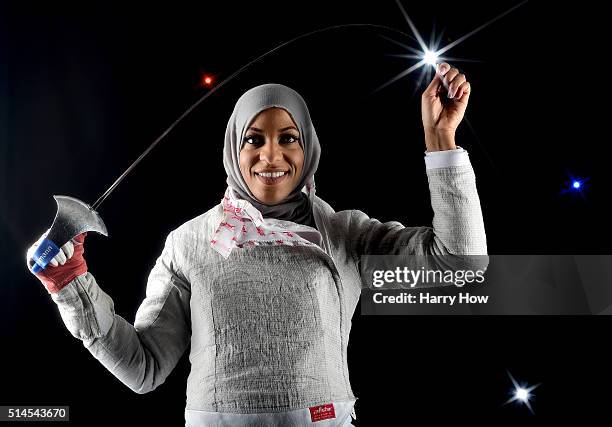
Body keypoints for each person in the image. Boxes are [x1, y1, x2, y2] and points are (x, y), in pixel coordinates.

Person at [26, 62, 487, 426]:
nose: (271, 156)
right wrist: (72, 286)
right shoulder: (189, 244)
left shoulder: (348, 233)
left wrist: (441, 138)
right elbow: (144, 369)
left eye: (289, 139)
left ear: (307, 150)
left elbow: (460, 266)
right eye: (253, 140)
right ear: (233, 149)